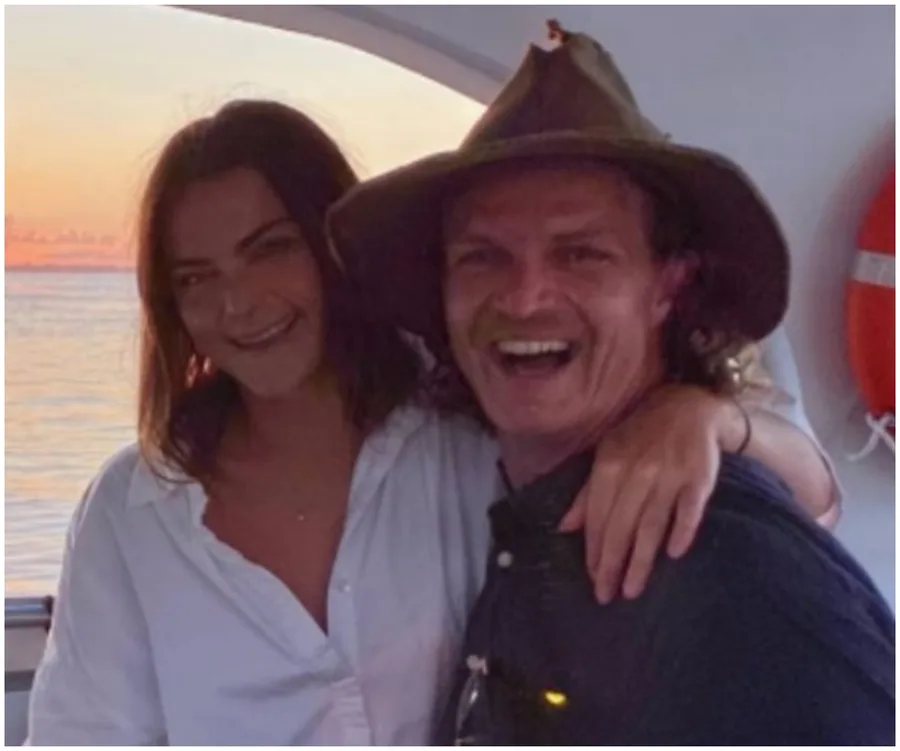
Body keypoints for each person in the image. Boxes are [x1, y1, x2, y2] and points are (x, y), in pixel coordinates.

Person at [28, 97, 836, 745]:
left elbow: (815, 497)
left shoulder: (474, 424)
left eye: (270, 248)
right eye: (197, 277)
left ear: (329, 245)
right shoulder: (131, 513)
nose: (237, 304)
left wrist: (702, 416)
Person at [326, 24, 895, 745]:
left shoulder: (746, 583)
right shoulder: (524, 516)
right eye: (482, 257)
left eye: (581, 253)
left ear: (667, 286)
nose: (525, 297)